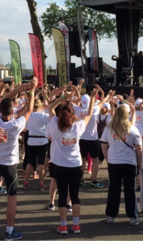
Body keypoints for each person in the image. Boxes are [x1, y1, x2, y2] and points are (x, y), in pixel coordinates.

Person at [0, 79, 37, 240]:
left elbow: (4, 100)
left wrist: (18, 89)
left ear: (1, 111)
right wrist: (31, 90)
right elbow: (30, 109)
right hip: (10, 165)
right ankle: (9, 231)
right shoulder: (16, 124)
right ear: (13, 112)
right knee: (12, 198)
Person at [48, 89, 96, 235]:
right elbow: (89, 114)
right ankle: (76, 226)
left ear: (59, 116)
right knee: (74, 196)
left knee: (62, 195)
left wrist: (63, 97)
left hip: (59, 166)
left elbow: (50, 108)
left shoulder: (55, 126)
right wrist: (92, 98)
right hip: (75, 166)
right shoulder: (77, 127)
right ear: (73, 116)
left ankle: (63, 226)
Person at [101, 103, 142, 225]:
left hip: (114, 162)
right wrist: (139, 161)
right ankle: (133, 217)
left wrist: (107, 158)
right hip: (129, 162)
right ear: (127, 115)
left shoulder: (109, 128)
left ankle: (111, 215)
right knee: (130, 190)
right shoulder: (133, 129)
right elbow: (139, 148)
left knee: (113, 189)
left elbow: (103, 145)